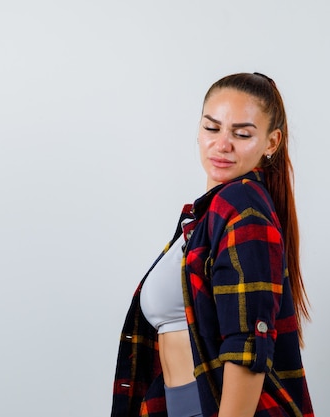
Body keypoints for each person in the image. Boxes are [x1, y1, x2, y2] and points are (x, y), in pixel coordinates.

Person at [111, 72, 314, 417]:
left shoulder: (243, 210)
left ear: (271, 142)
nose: (222, 144)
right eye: (212, 128)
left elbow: (246, 349)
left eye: (242, 133)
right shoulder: (207, 217)